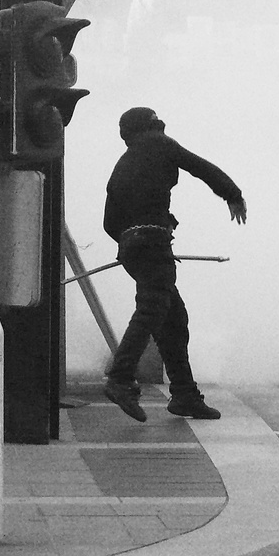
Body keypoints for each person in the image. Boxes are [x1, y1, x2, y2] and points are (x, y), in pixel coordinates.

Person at [102, 107, 247, 423]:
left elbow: (109, 223)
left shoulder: (122, 165)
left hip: (132, 247)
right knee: (153, 308)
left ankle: (184, 395)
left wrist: (134, 238)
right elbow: (199, 167)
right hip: (152, 244)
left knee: (173, 319)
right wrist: (232, 194)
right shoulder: (158, 143)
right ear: (152, 126)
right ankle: (121, 376)